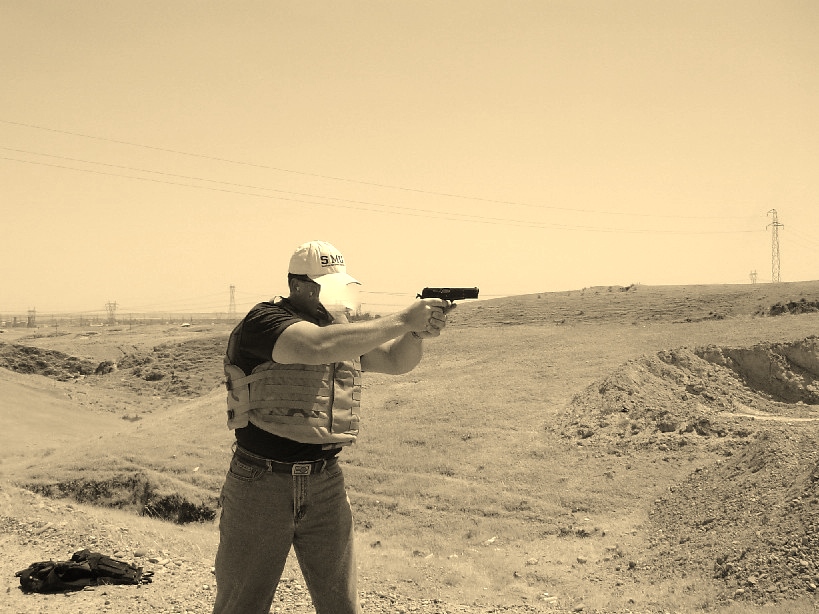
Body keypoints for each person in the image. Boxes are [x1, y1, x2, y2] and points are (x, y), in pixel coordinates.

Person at [212, 240, 451, 614]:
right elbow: (316, 348)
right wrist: (405, 319)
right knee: (241, 605)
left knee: (342, 606)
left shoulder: (337, 328)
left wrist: (416, 334)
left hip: (325, 482)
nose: (335, 293)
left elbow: (394, 360)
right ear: (297, 285)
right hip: (261, 481)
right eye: (325, 284)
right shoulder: (264, 322)